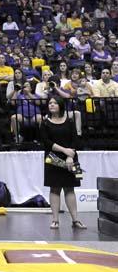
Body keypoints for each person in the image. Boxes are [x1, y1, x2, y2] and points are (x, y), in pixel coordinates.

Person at [40, 95, 86, 230]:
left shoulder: (70, 121)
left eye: (54, 103)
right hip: (53, 158)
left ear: (60, 105)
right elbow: (46, 142)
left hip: (71, 157)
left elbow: (75, 139)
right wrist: (64, 151)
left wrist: (70, 156)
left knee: (70, 188)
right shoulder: (45, 122)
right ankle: (55, 220)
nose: (51, 105)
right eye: (50, 103)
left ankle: (75, 220)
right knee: (54, 188)